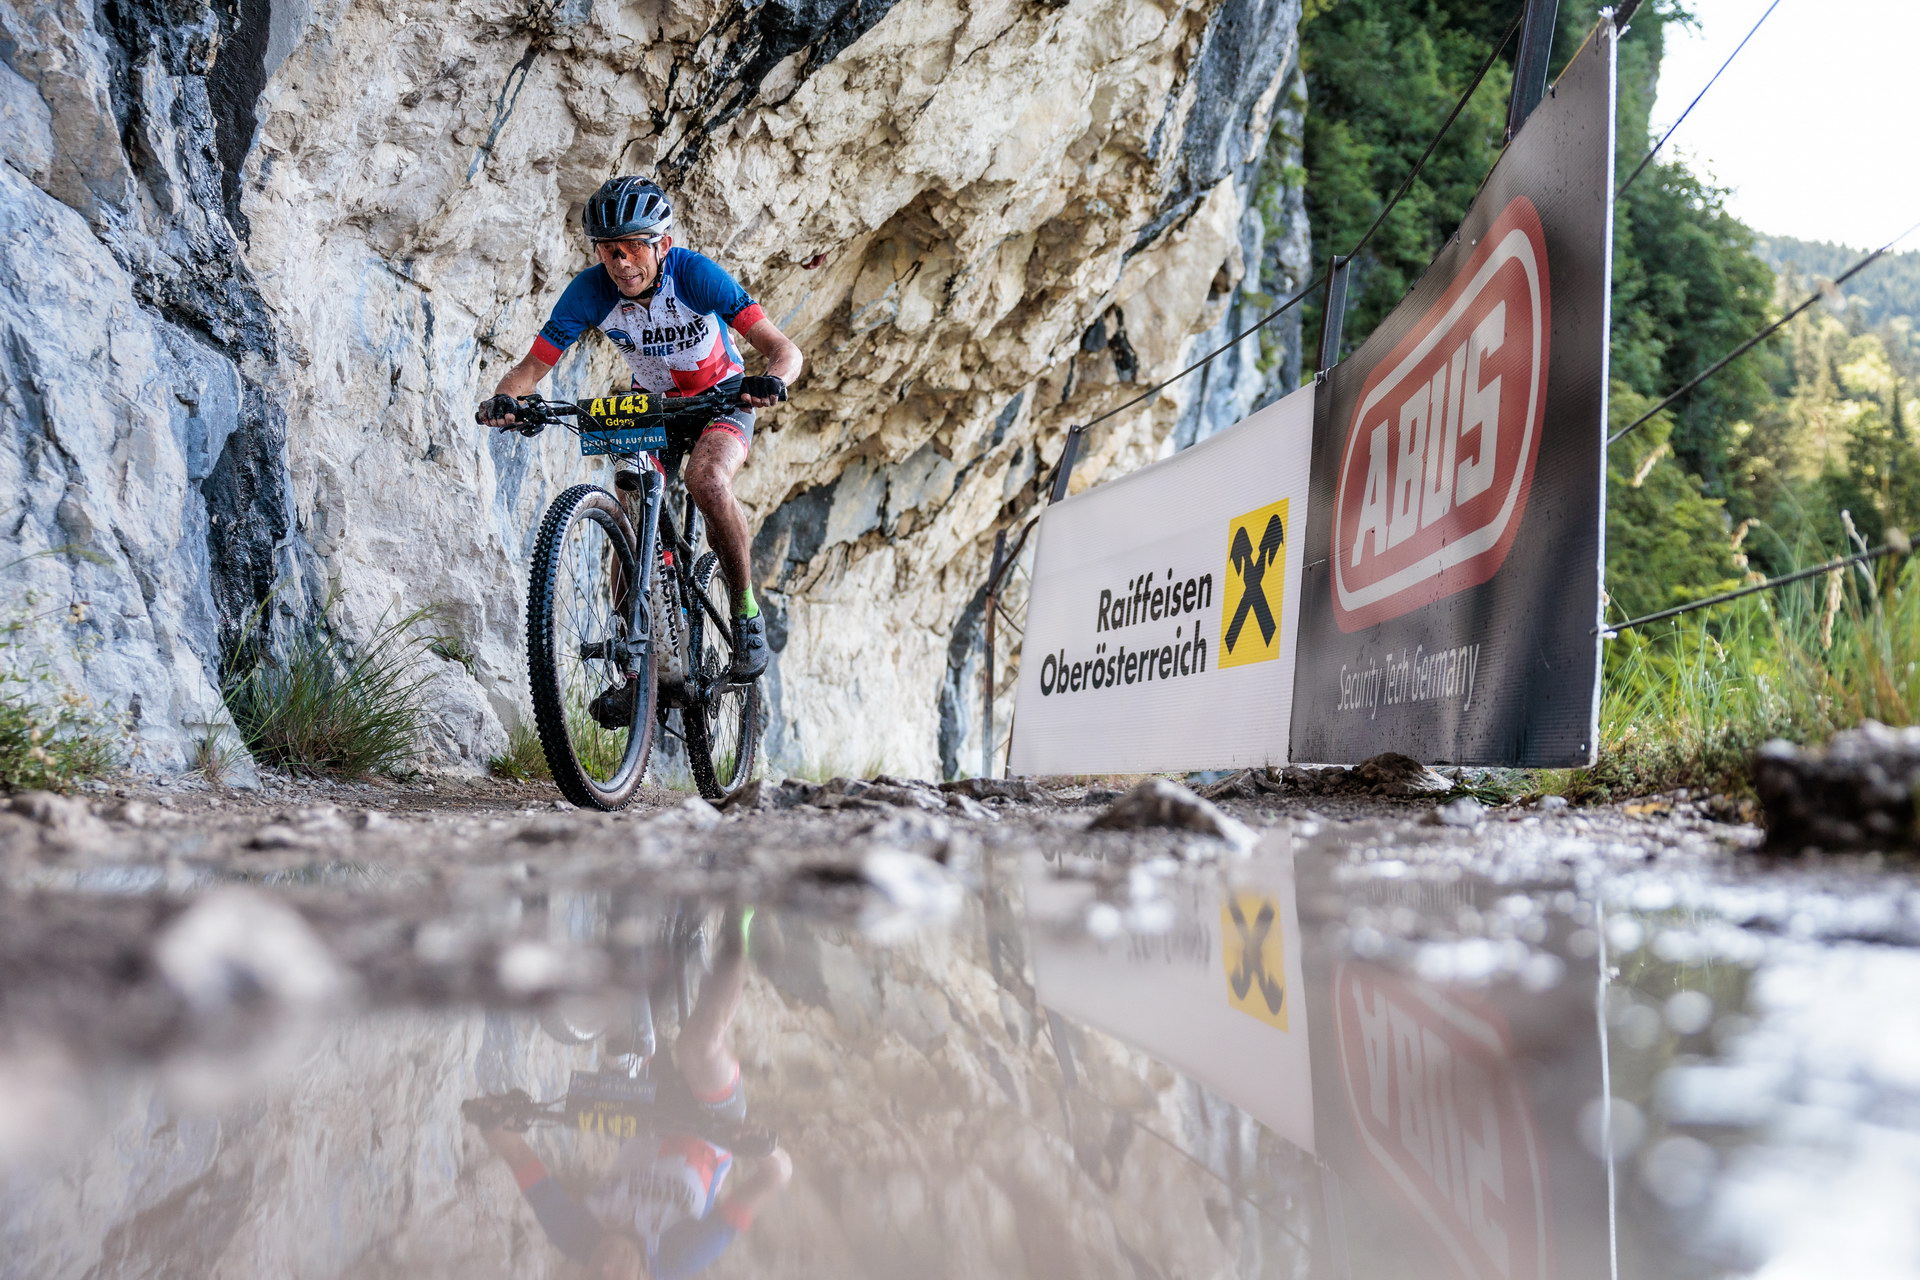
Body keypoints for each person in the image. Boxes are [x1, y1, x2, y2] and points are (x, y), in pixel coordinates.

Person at [478, 176, 803, 698]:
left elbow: (784, 349)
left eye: (633, 249)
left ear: (663, 245)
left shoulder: (695, 275)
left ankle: (744, 616)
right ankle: (636, 667)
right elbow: (529, 371)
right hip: (649, 406)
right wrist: (505, 401)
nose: (622, 263)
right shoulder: (589, 291)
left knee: (707, 480)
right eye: (610, 252)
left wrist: (773, 381)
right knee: (630, 513)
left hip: (721, 397)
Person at [475, 908, 792, 1280]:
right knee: (700, 1044)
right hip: (712, 1124)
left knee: (620, 1022)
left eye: (594, 1273)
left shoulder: (575, 1236)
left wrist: (490, 1118)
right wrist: (764, 1148)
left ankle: (629, 918)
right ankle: (739, 922)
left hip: (645, 1112)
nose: (607, 1263)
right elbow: (777, 1176)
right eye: (617, 1276)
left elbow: (511, 1148)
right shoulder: (682, 1256)